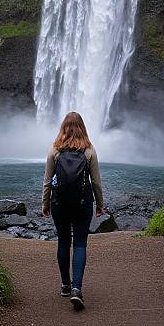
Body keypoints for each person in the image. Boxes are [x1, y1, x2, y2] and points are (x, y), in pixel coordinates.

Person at [42, 111, 104, 310]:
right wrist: (100, 204)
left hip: (59, 203)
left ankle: (65, 285)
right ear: (82, 128)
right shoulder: (89, 150)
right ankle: (77, 289)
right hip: (82, 203)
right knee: (79, 244)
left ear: (63, 128)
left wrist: (45, 204)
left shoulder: (55, 150)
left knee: (62, 241)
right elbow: (96, 182)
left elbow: (47, 182)